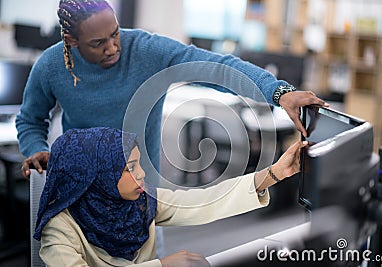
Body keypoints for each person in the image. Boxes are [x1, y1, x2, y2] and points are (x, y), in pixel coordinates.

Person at [17, 0, 328, 179]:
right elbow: (31, 120)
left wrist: (277, 91)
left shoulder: (146, 50)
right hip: (82, 183)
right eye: (99, 43)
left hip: (141, 186)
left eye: (115, 34)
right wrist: (34, 150)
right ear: (71, 41)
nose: (113, 48)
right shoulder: (51, 65)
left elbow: (216, 67)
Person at [34, 127, 307, 267]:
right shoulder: (60, 228)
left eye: (139, 164)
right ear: (97, 177)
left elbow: (202, 202)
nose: (141, 174)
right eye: (130, 167)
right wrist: (163, 265)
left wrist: (273, 174)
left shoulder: (140, 203)